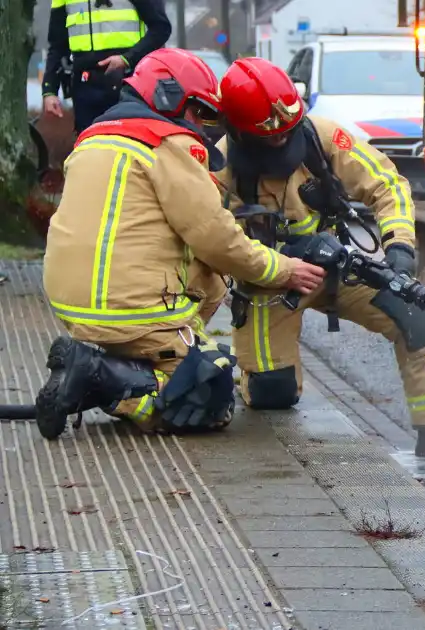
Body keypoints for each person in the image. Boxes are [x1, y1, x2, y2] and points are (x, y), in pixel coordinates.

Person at [36, 48, 326, 439]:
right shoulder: (168, 143)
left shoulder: (92, 138)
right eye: (201, 113)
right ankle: (101, 377)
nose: (205, 127)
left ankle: (107, 367)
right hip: (132, 314)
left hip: (72, 306)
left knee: (210, 282)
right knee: (210, 398)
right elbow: (216, 239)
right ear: (168, 96)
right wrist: (284, 269)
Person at [214, 57, 425, 463]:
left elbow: (387, 184)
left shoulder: (322, 138)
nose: (282, 142)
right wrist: (279, 264)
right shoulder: (217, 168)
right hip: (268, 281)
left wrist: (398, 246)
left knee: (413, 316)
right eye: (271, 137)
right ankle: (257, 377)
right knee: (273, 395)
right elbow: (215, 240)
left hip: (335, 268)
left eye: (287, 132)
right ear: (240, 131)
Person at [41, 0, 173, 134]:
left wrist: (127, 59)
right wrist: (49, 90)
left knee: (130, 143)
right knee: (90, 148)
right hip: (85, 89)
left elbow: (161, 28)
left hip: (128, 84)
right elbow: (57, 45)